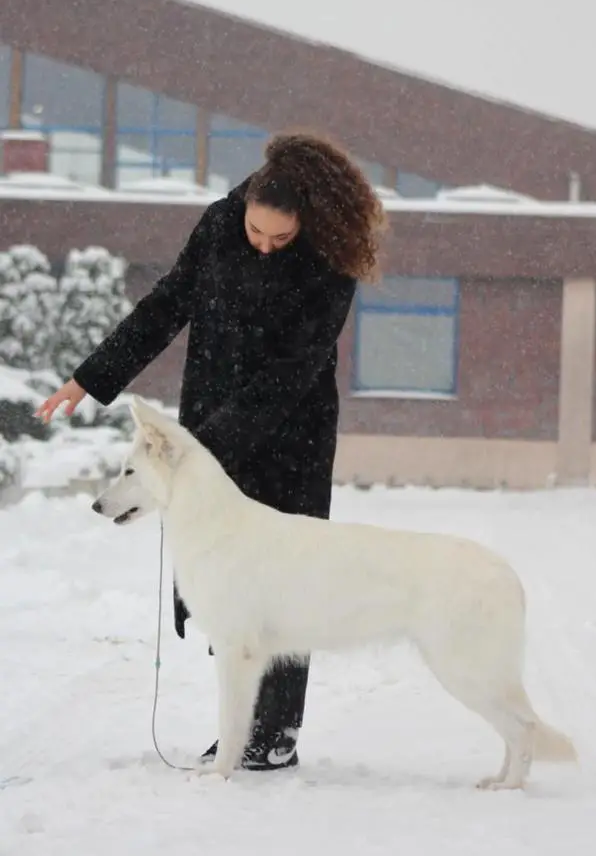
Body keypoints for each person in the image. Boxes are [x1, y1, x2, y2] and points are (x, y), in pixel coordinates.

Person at [36, 130, 386, 771]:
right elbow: (168, 303)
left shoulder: (331, 255)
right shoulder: (221, 223)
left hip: (289, 437)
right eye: (258, 231)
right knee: (221, 579)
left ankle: (274, 732)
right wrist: (91, 377)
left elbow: (293, 367)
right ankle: (239, 724)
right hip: (205, 430)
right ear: (247, 203)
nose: (265, 245)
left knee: (284, 585)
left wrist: (200, 449)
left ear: (306, 221)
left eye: (281, 239)